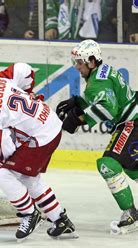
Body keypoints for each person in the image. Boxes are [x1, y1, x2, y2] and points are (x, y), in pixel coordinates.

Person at [0, 72, 77, 240]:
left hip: (40, 137)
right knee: (29, 178)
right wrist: (28, 92)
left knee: (5, 176)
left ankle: (30, 215)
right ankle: (60, 220)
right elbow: (24, 71)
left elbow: (6, 147)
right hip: (48, 122)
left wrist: (0, 162)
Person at [56, 39, 138, 234]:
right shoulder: (104, 71)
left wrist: (78, 119)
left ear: (92, 61)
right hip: (133, 117)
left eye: (80, 62)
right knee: (130, 165)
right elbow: (105, 97)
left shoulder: (96, 81)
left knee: (108, 164)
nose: (77, 67)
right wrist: (78, 101)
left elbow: (108, 109)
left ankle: (131, 214)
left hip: (132, 121)